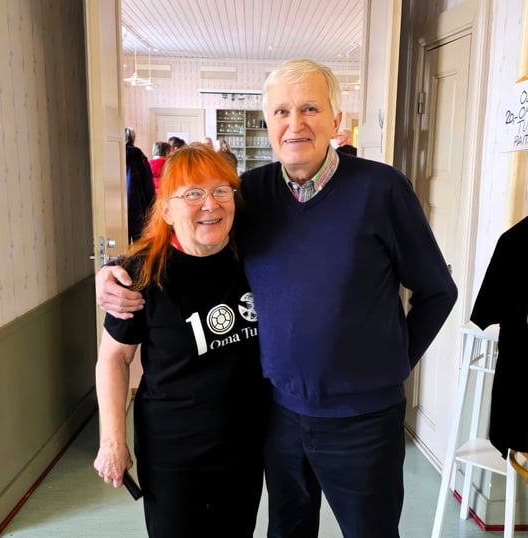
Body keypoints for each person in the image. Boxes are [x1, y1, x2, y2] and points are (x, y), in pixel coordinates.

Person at [96, 59, 457, 538]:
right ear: (268, 123)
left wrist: (392, 363)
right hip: (279, 416)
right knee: (286, 531)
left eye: (310, 108)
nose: (295, 123)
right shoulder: (252, 194)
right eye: (282, 111)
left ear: (336, 118)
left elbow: (438, 291)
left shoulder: (382, 188)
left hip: (362, 420)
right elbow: (191, 232)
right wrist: (113, 271)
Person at [93, 144, 267, 538]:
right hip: (172, 450)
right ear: (167, 211)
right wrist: (112, 440)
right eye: (192, 194)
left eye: (221, 190)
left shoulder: (253, 256)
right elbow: (114, 360)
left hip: (244, 445)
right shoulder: (141, 272)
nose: (210, 204)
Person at [125, 127, 156, 242]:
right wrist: (152, 206)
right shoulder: (138, 155)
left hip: (116, 207)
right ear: (133, 139)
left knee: (120, 243)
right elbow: (148, 182)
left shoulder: (114, 153)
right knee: (139, 243)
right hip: (138, 205)